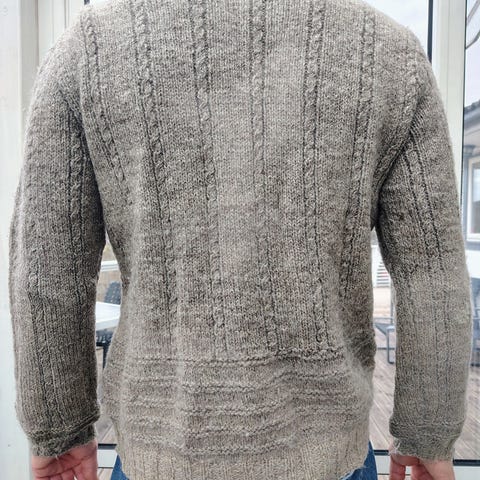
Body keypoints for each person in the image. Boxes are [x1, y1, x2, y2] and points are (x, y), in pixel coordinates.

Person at [8, 0, 473, 479]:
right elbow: (431, 273)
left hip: (161, 454)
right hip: (327, 453)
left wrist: (58, 428)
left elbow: (46, 270)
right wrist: (429, 430)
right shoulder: (388, 56)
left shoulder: (89, 52)